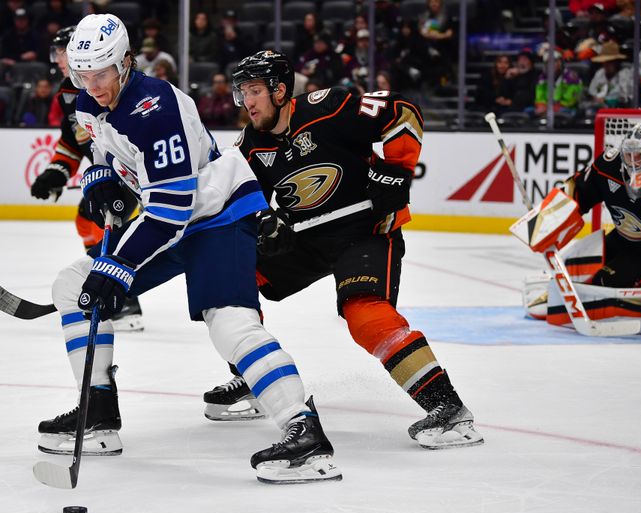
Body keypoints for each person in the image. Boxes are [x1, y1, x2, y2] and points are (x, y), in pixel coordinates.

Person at [39, 15, 341, 484]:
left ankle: (305, 435)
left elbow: (171, 210)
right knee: (73, 284)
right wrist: (99, 177)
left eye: (100, 74)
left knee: (229, 323)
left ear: (124, 63)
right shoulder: (86, 100)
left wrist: (118, 265)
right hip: (170, 217)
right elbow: (103, 151)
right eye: (82, 75)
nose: (91, 86)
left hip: (216, 214)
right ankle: (97, 412)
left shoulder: (156, 108)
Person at [203, 50, 484, 451]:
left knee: (364, 313)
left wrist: (397, 170)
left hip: (365, 230)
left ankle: (447, 407)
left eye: (253, 91)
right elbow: (243, 203)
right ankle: (251, 377)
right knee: (227, 277)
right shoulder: (249, 146)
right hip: (309, 237)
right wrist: (266, 224)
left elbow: (403, 113)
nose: (246, 101)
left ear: (280, 91)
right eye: (241, 92)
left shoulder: (329, 107)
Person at [517, 123, 641, 337]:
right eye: (628, 155)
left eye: (640, 155)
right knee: (570, 271)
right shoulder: (608, 166)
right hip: (618, 240)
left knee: (604, 282)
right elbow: (577, 190)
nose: (633, 162)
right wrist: (547, 218)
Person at [29, 26, 144, 332]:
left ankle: (123, 298)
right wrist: (57, 171)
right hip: (106, 172)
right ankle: (103, 287)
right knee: (86, 220)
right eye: (57, 53)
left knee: (109, 222)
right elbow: (72, 141)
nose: (60, 59)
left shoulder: (110, 86)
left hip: (134, 170)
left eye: (64, 51)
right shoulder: (68, 93)